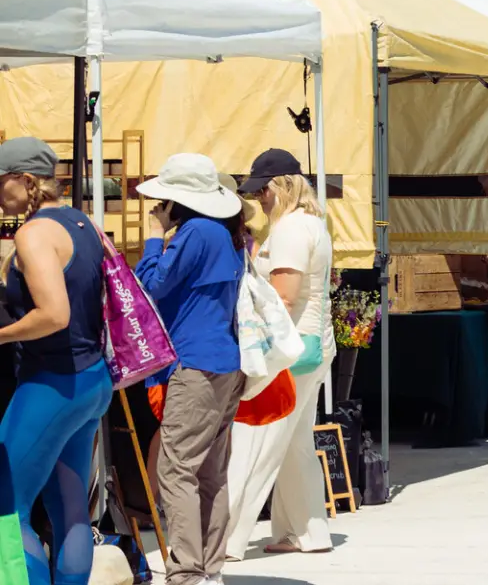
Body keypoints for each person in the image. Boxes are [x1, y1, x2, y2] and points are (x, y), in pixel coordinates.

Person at [133, 153, 249, 585]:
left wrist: (153, 239)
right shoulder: (226, 234)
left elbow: (151, 285)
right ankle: (209, 569)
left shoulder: (197, 232)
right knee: (210, 472)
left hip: (196, 363)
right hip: (224, 362)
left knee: (177, 468)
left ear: (175, 201)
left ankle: (186, 571)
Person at [0, 137, 111, 585]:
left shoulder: (33, 234)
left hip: (52, 384)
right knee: (71, 511)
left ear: (26, 181)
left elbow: (54, 314)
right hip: (91, 380)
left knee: (7, 509)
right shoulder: (83, 223)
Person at [224, 149, 334, 559]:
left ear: (283, 186)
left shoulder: (289, 229)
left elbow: (284, 297)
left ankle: (226, 538)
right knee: (293, 444)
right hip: (312, 346)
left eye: (263, 190)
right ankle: (306, 531)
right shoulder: (312, 224)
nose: (259, 199)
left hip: (288, 351)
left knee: (256, 441)